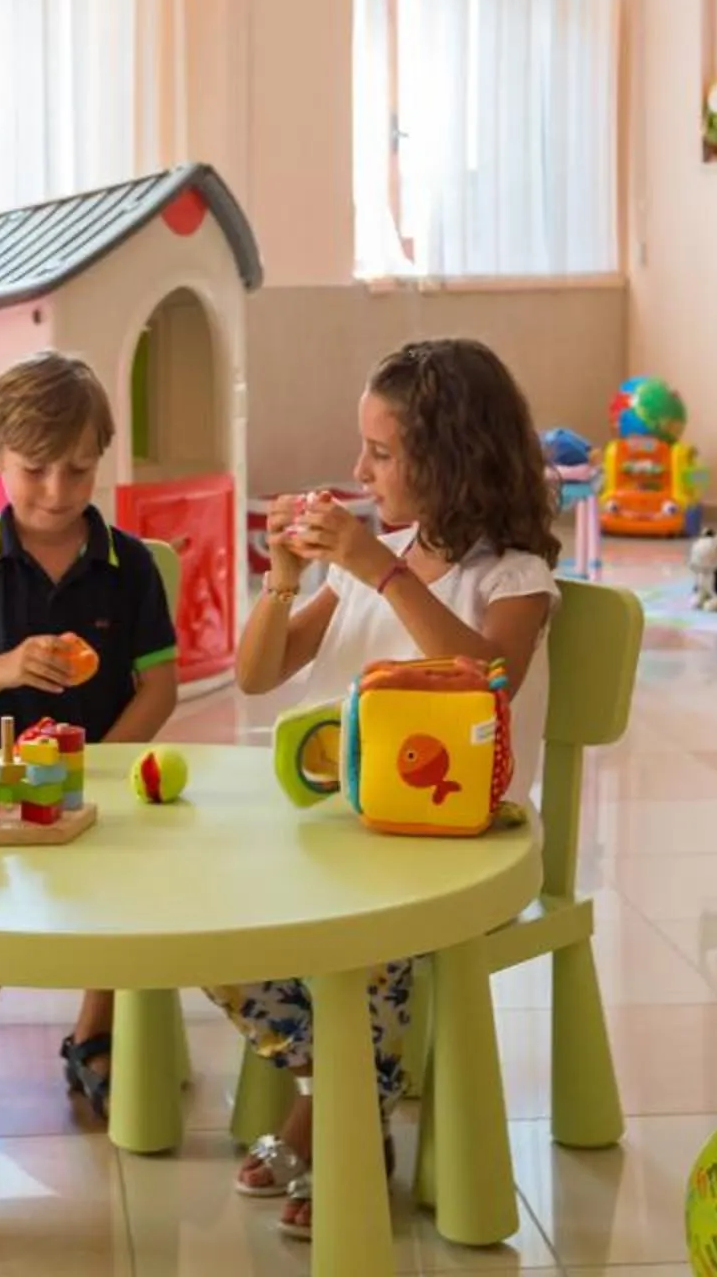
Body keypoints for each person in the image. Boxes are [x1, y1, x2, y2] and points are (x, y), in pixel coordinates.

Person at [211, 337, 559, 1239]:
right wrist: (285, 584)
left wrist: (379, 568)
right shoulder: (374, 558)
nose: (358, 469)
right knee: (208, 923)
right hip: (345, 829)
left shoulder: (510, 576)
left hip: (456, 846)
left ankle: (335, 1119)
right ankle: (346, 1090)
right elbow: (256, 676)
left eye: (381, 452)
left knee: (369, 947)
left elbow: (489, 679)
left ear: (446, 460)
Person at [0, 351, 182, 1152]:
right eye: (35, 471)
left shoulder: (130, 567)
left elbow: (157, 687)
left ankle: (96, 1033)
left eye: (78, 469)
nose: (57, 493)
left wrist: (102, 771)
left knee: (128, 893)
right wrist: (6, 666)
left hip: (103, 781)